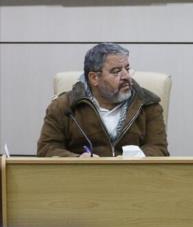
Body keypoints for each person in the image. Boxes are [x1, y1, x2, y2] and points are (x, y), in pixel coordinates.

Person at [37, 43, 169, 157]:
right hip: (82, 180)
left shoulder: (147, 104)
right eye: (116, 71)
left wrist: (132, 159)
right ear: (94, 78)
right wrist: (77, 159)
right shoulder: (65, 107)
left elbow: (158, 149)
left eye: (127, 69)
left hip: (132, 178)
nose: (126, 76)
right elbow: (46, 149)